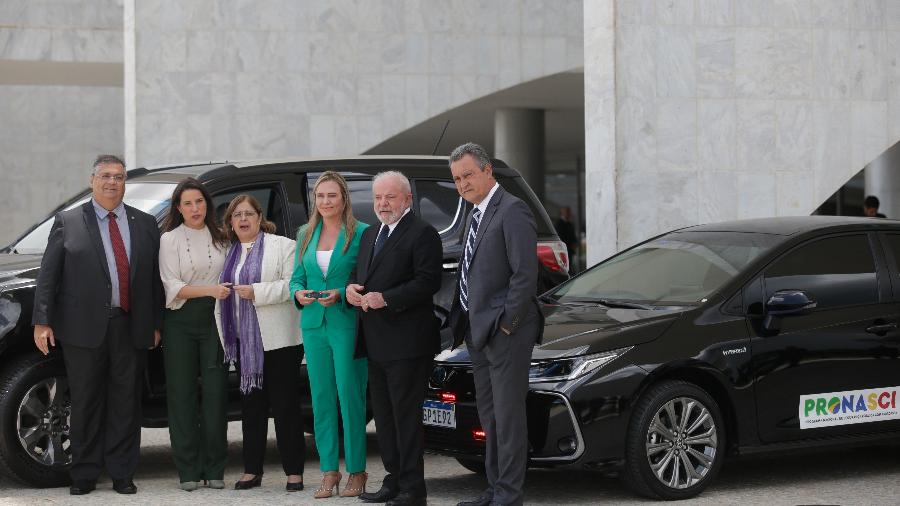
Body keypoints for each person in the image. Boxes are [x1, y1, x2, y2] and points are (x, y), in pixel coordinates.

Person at [32, 154, 163, 496]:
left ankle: (122, 473)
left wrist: (154, 323)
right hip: (82, 329)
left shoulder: (145, 223)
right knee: (86, 402)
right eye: (105, 176)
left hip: (130, 326)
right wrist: (42, 320)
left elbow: (152, 280)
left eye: (118, 177)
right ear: (92, 181)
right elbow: (49, 275)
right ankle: (85, 473)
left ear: (124, 183)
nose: (111, 182)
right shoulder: (68, 221)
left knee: (125, 403)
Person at [447, 143, 542, 506]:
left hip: (507, 332)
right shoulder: (476, 213)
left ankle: (509, 494)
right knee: (490, 418)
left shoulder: (513, 210)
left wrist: (507, 324)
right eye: (457, 179)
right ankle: (494, 489)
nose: (462, 184)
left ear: (488, 171)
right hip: (479, 331)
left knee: (508, 416)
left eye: (468, 175)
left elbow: (525, 275)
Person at [346, 171, 442, 506]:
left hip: (407, 343)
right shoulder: (371, 233)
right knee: (384, 419)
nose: (382, 204)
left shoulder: (423, 233)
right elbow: (360, 274)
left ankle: (414, 490)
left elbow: (428, 282)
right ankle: (393, 480)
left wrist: (386, 298)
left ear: (407, 199)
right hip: (375, 342)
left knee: (406, 418)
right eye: (377, 198)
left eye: (390, 197)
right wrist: (351, 288)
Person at [214, 195, 305, 491]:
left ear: (259, 217)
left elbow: (291, 285)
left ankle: (294, 472)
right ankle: (252, 471)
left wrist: (256, 292)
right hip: (244, 342)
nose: (243, 219)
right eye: (237, 215)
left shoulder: (283, 246)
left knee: (285, 406)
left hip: (278, 340)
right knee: (251, 407)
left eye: (248, 214)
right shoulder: (228, 253)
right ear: (230, 222)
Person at [290, 171, 369, 499]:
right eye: (320, 196)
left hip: (345, 322)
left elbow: (365, 277)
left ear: (344, 199)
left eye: (331, 196)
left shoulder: (361, 233)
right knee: (321, 400)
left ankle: (357, 470)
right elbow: (296, 278)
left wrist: (338, 292)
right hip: (313, 325)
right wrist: (298, 294)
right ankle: (328, 471)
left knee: (350, 398)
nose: (325, 202)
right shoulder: (305, 232)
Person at [158, 178, 230, 491]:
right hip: (180, 322)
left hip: (216, 320)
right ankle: (188, 469)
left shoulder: (222, 238)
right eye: (187, 203)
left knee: (216, 395)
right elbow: (172, 287)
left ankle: (215, 468)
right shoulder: (169, 240)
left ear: (207, 204)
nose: (195, 208)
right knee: (181, 395)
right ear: (178, 208)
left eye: (199, 202)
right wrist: (210, 289)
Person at [553, 205, 577, 272]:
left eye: (569, 212)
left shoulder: (570, 224)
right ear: (562, 212)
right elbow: (560, 237)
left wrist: (574, 244)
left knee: (570, 268)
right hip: (563, 250)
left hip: (569, 251)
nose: (569, 214)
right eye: (567, 212)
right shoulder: (559, 224)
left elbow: (573, 237)